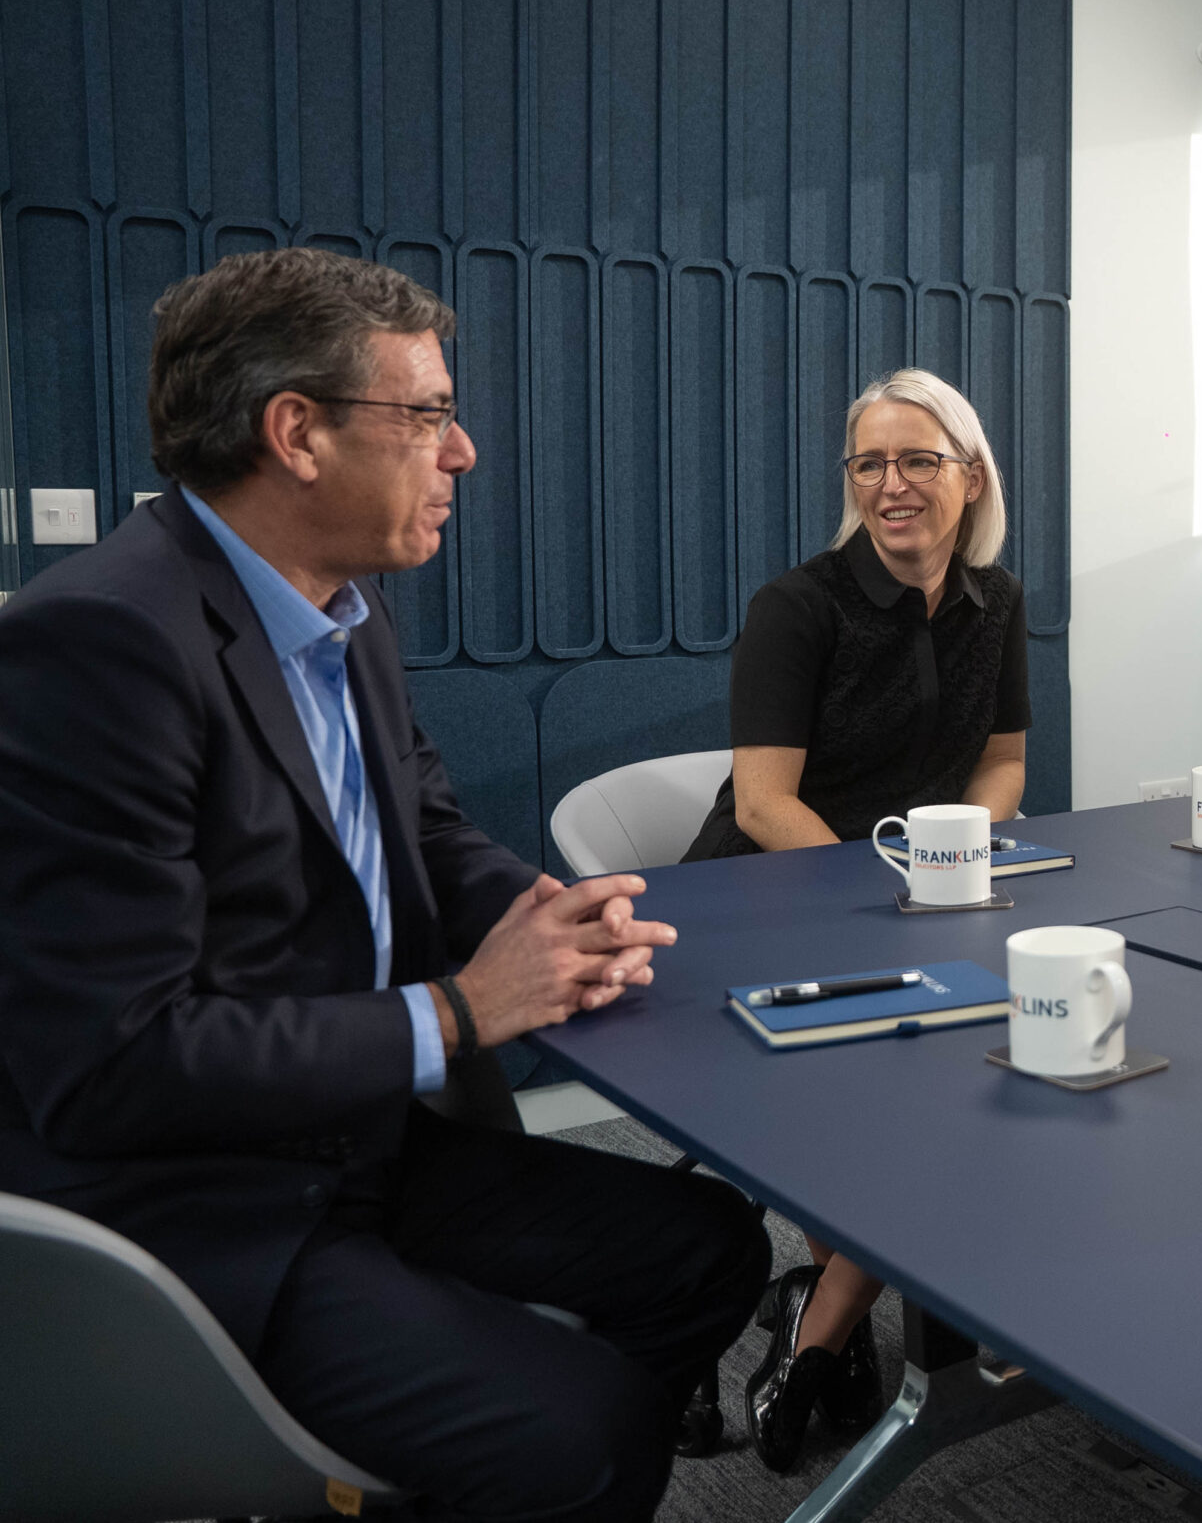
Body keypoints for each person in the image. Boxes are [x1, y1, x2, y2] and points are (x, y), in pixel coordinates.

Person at [0, 248, 770, 1522]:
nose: (462, 451)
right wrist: (461, 1011)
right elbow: (112, 1065)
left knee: (709, 1249)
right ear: (296, 433)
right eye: (426, 415)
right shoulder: (101, 645)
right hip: (199, 1201)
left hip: (358, 1140)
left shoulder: (341, 611)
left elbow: (426, 830)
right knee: (579, 1438)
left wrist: (544, 918)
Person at [682, 366, 1029, 1470]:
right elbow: (761, 805)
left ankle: (819, 1317)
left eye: (917, 460)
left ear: (971, 479)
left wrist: (953, 860)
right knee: (922, 1099)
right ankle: (829, 1325)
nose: (891, 484)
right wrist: (895, 894)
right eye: (869, 464)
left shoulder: (996, 602)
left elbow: (1004, 765)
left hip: (907, 903)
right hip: (769, 900)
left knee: (996, 1068)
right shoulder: (799, 606)